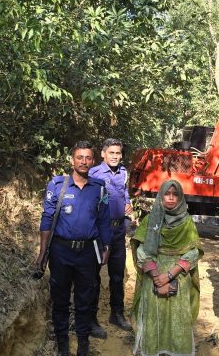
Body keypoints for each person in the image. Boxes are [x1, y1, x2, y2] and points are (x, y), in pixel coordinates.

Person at [35, 141, 111, 356]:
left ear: (93, 161)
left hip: (88, 253)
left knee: (84, 301)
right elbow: (47, 219)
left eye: (88, 158)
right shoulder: (57, 185)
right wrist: (42, 253)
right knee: (60, 301)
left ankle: (83, 348)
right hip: (61, 252)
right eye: (80, 157)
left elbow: (104, 220)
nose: (84, 161)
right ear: (72, 160)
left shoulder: (99, 187)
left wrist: (107, 246)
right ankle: (63, 348)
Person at [130, 180, 202, 356]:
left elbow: (193, 253)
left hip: (178, 277)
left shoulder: (187, 223)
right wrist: (157, 278)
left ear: (180, 197)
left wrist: (168, 276)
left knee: (177, 317)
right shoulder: (150, 220)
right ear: (160, 196)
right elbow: (142, 250)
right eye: (166, 194)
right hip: (153, 274)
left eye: (175, 194)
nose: (170, 198)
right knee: (154, 316)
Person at [88, 138, 134, 333]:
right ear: (103, 154)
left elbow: (125, 195)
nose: (116, 156)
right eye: (112, 153)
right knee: (93, 276)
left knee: (117, 275)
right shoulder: (94, 173)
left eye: (118, 153)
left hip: (118, 232)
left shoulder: (123, 172)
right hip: (100, 232)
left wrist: (128, 208)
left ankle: (117, 314)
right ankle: (90, 318)